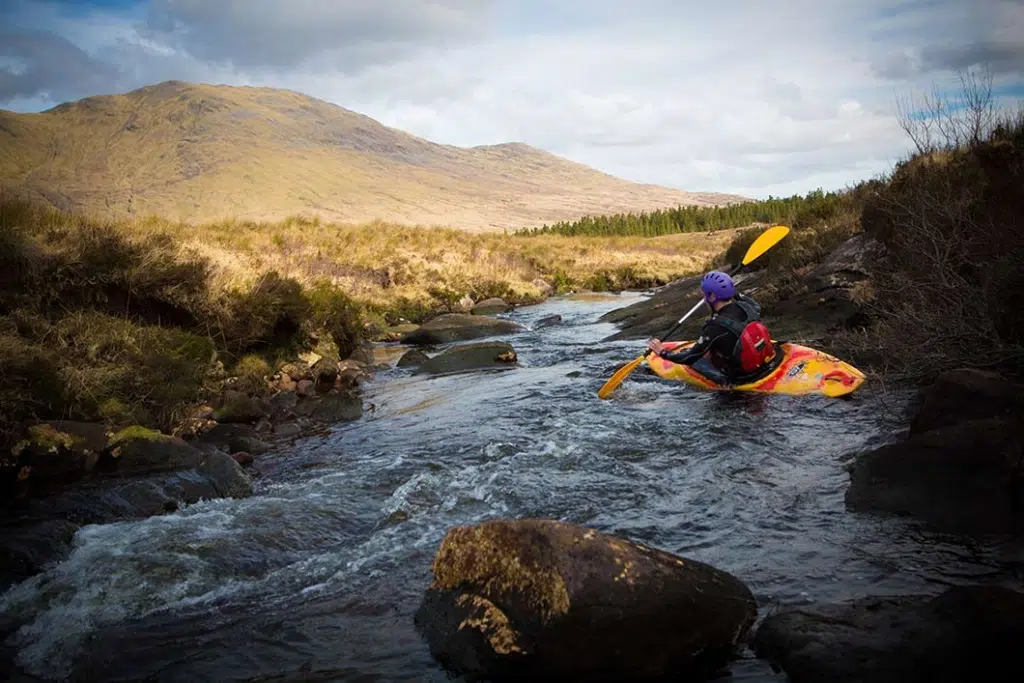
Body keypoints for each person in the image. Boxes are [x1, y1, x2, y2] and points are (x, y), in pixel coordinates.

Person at [647, 270, 778, 385]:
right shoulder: (748, 306)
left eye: (706, 295)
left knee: (694, 362)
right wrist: (732, 291)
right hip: (765, 364)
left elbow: (690, 357)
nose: (704, 299)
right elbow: (749, 302)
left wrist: (662, 352)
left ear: (712, 296)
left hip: (742, 377)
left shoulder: (714, 327)